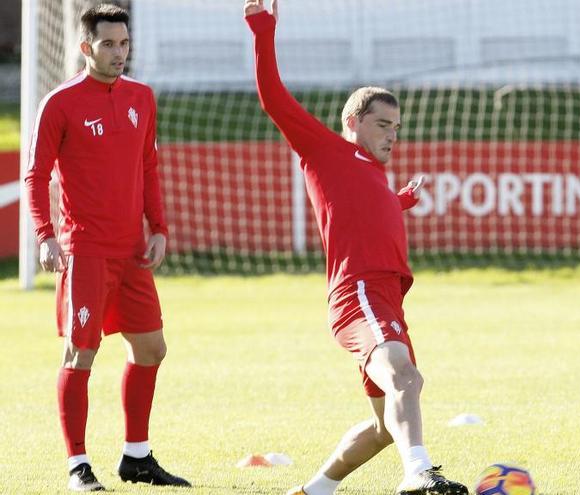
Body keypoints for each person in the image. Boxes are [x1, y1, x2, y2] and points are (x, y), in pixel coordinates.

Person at [243, 1, 467, 494]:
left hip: (384, 297)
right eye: (383, 124)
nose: (393, 135)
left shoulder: (373, 175)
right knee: (406, 378)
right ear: (354, 120)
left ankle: (314, 489)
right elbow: (274, 99)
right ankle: (419, 473)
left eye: (397, 127)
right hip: (359, 293)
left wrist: (400, 200)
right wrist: (262, 30)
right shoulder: (327, 150)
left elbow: (366, 214)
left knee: (387, 425)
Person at [24, 3, 190, 492]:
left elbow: (148, 167)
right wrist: (44, 235)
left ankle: (136, 457)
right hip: (86, 251)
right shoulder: (60, 103)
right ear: (85, 48)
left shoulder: (142, 97)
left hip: (132, 250)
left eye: (125, 43)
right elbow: (35, 176)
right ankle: (78, 464)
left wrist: (157, 227)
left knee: (152, 348)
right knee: (81, 353)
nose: (119, 52)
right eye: (108, 44)